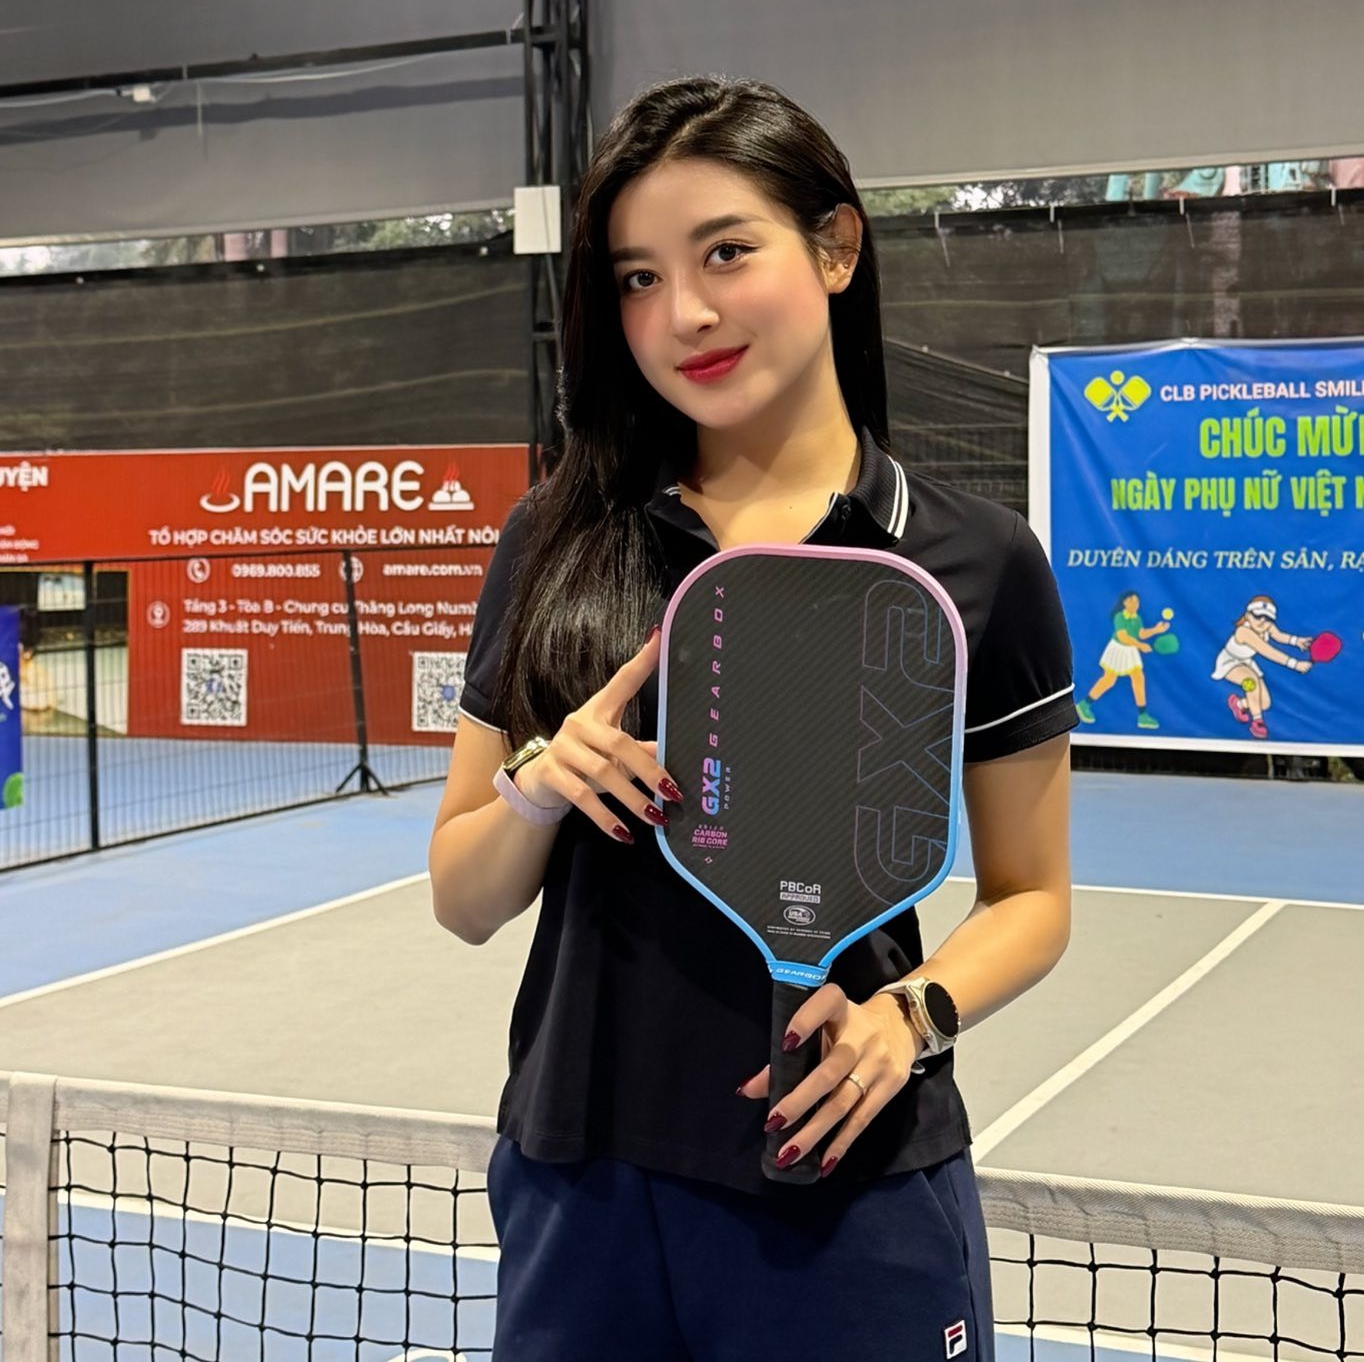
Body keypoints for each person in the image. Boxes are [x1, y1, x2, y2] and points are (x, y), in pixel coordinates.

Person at [428, 76, 1076, 1362]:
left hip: (845, 1190)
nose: (683, 313)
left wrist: (911, 1015)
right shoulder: (554, 538)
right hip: (577, 1184)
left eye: (725, 251)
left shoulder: (974, 560)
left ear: (835, 247)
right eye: (637, 278)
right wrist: (539, 785)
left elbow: (1031, 896)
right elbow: (462, 896)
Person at [1211, 594, 1312, 740]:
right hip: (1230, 662)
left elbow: (1279, 636)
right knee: (1250, 681)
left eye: (1267, 618)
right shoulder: (1243, 632)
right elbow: (1268, 651)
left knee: (1264, 703)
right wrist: (1295, 664)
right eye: (1257, 616)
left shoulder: (1267, 626)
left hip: (1247, 662)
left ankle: (1239, 703)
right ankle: (1258, 722)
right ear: (1248, 615)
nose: (1262, 621)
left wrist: (1297, 641)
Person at [1074, 590, 1169, 731]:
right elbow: (1123, 637)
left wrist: (1156, 630)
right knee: (1109, 680)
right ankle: (1084, 705)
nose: (1135, 604)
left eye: (1137, 601)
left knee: (1138, 678)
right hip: (1117, 650)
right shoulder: (1119, 617)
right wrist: (1140, 646)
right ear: (1124, 602)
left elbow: (1141, 633)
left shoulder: (1137, 618)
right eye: (1131, 601)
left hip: (1130, 651)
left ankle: (1143, 716)